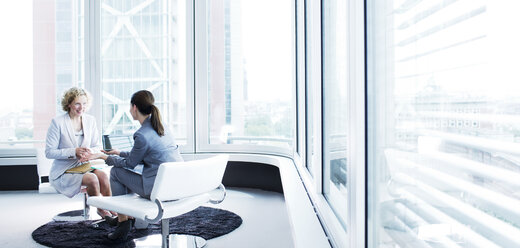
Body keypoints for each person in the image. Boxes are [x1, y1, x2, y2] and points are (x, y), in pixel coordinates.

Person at [87, 90, 183, 240]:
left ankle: (123, 223)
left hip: (158, 189)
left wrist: (104, 156)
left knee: (116, 172)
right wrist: (118, 152)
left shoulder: (141, 134)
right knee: (123, 169)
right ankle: (127, 217)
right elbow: (143, 154)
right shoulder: (161, 126)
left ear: (134, 108)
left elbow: (130, 163)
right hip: (175, 185)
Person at [45, 87, 114, 219]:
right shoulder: (57, 122)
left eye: (84, 103)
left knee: (104, 176)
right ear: (69, 104)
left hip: (85, 165)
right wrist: (73, 152)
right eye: (77, 103)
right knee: (92, 179)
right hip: (64, 170)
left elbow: (97, 146)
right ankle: (102, 210)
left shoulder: (90, 120)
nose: (81, 107)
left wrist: (89, 152)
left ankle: (112, 208)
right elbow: (49, 152)